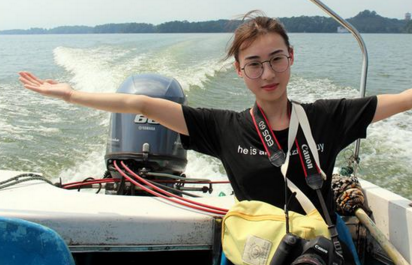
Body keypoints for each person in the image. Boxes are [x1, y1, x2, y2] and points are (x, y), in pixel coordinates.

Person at [19, 11, 412, 265]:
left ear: (292, 57)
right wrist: (69, 95)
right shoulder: (223, 128)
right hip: (254, 246)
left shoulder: (327, 118)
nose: (268, 74)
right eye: (254, 65)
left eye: (276, 59)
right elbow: (140, 101)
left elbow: (399, 101)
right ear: (240, 72)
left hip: (321, 243)